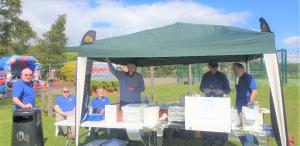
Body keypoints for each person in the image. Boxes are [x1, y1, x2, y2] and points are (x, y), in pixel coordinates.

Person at [199, 60, 231, 145]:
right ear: (209, 67)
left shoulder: (222, 76)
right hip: (208, 102)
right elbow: (201, 88)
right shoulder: (205, 76)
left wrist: (221, 91)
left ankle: (222, 140)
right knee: (209, 121)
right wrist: (205, 90)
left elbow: (228, 90)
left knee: (220, 121)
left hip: (219, 102)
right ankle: (210, 139)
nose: (214, 69)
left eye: (216, 67)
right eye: (212, 67)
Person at [232, 63, 259, 146]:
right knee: (241, 130)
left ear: (240, 68)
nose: (233, 70)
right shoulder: (239, 78)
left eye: (234, 68)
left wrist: (249, 103)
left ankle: (251, 144)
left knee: (247, 131)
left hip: (247, 107)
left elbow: (254, 91)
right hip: (240, 107)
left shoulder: (248, 77)